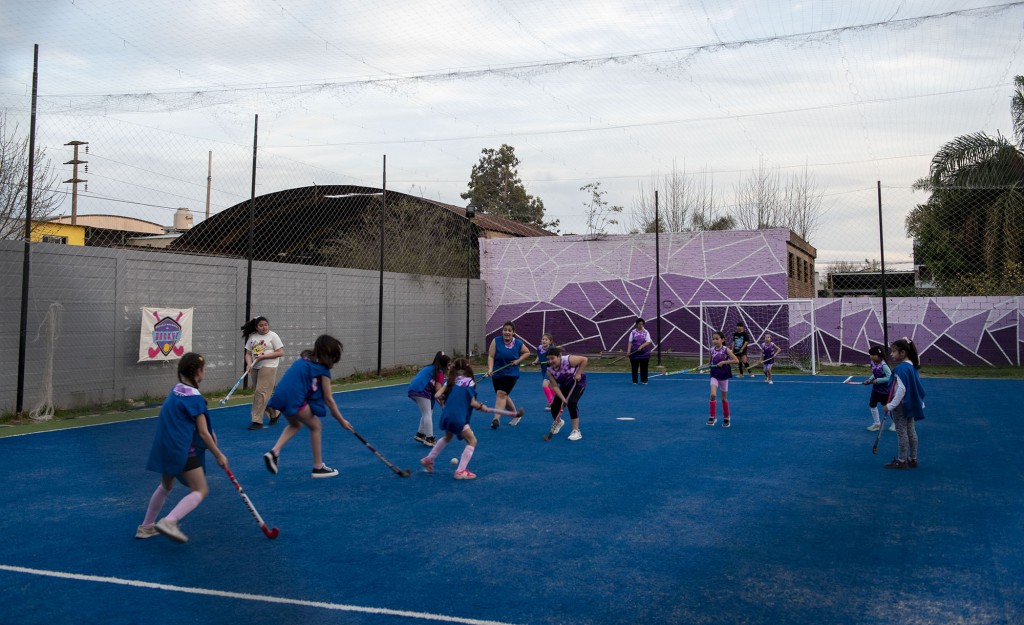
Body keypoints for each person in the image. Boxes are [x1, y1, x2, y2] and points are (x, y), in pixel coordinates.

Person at [137, 353, 227, 544]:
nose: (205, 373)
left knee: (166, 485)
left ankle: (146, 526)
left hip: (164, 446)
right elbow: (203, 433)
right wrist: (219, 455)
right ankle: (169, 522)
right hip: (181, 448)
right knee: (200, 490)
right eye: (203, 369)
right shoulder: (195, 399)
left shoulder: (175, 390)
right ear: (197, 372)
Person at [262, 335, 354, 479]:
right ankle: (318, 467)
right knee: (316, 426)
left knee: (295, 424)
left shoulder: (304, 360)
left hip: (280, 397)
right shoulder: (322, 371)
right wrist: (341, 420)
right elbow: (329, 400)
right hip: (294, 400)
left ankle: (274, 452)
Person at [420, 358, 487, 480]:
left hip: (447, 414)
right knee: (472, 441)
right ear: (468, 369)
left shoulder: (450, 381)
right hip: (458, 416)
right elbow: (472, 403)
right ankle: (460, 471)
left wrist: (448, 396)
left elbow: (437, 395)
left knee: (448, 437)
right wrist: (481, 407)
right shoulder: (470, 382)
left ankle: (428, 459)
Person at [883, 338, 926, 469]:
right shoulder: (912, 365)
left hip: (902, 405)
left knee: (902, 432)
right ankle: (913, 458)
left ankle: (902, 461)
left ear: (902, 353)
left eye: (894, 351)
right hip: (911, 403)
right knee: (911, 431)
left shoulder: (901, 369)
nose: (891, 354)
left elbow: (901, 389)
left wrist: (890, 406)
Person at [241, 316, 285, 430]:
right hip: (256, 367)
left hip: (269, 366)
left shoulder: (273, 336)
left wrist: (264, 356)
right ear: (256, 327)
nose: (264, 327)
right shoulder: (252, 337)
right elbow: (248, 353)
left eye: (266, 324)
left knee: (260, 392)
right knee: (262, 393)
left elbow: (280, 352)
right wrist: (249, 364)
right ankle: (275, 412)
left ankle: (257, 421)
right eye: (261, 325)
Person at [486, 320, 531, 429]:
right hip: (497, 372)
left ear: (513, 332)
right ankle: (516, 415)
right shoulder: (496, 341)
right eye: (505, 330)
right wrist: (490, 369)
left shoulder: (518, 343)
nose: (507, 332)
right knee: (504, 396)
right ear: (502, 331)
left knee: (501, 394)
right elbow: (491, 356)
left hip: (511, 373)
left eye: (509, 330)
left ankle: (496, 419)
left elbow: (527, 352)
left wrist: (518, 360)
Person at [408, 351, 451, 447]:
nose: (449, 367)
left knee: (428, 411)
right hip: (421, 390)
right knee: (427, 413)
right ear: (444, 364)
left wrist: (443, 404)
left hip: (414, 389)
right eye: (448, 365)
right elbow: (438, 390)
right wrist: (446, 396)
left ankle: (421, 434)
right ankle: (429, 438)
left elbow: (436, 393)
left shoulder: (430, 368)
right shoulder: (439, 372)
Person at [545, 346, 588, 441]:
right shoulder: (549, 370)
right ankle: (559, 422)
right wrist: (563, 399)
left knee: (572, 403)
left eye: (552, 358)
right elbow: (555, 386)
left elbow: (584, 359)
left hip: (578, 383)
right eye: (548, 359)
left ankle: (576, 431)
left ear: (559, 356)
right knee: (555, 406)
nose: (550, 361)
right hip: (565, 386)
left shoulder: (569, 360)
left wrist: (578, 373)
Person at [707, 331, 740, 428]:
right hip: (714, 375)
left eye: (717, 339)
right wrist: (704, 366)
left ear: (722, 340)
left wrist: (724, 362)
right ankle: (713, 416)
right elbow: (709, 363)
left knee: (724, 399)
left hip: (724, 376)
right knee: (713, 394)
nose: (715, 341)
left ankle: (726, 417)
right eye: (713, 339)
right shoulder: (711, 350)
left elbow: (736, 360)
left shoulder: (726, 349)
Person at [862, 345, 895, 432]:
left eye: (872, 355)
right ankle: (877, 424)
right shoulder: (872, 363)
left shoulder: (884, 366)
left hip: (885, 390)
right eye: (870, 355)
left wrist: (879, 380)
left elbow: (890, 377)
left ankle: (894, 423)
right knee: (872, 404)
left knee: (887, 407)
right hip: (875, 389)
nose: (871, 356)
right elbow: (875, 373)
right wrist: (870, 379)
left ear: (878, 355)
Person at [531, 333, 557, 410]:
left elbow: (556, 359)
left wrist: (550, 361)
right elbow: (538, 356)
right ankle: (559, 400)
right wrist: (535, 361)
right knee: (551, 387)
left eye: (546, 339)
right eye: (543, 339)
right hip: (543, 369)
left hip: (551, 369)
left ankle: (550, 402)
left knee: (545, 385)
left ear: (550, 341)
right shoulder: (539, 348)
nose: (544, 341)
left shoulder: (552, 349)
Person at [627, 318, 654, 385]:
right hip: (634, 353)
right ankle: (635, 381)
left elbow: (648, 341)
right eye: (639, 324)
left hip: (644, 354)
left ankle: (644, 380)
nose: (641, 325)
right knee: (634, 368)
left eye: (642, 324)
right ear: (636, 324)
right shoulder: (633, 332)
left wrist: (641, 346)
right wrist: (628, 351)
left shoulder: (646, 332)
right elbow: (630, 342)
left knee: (644, 367)